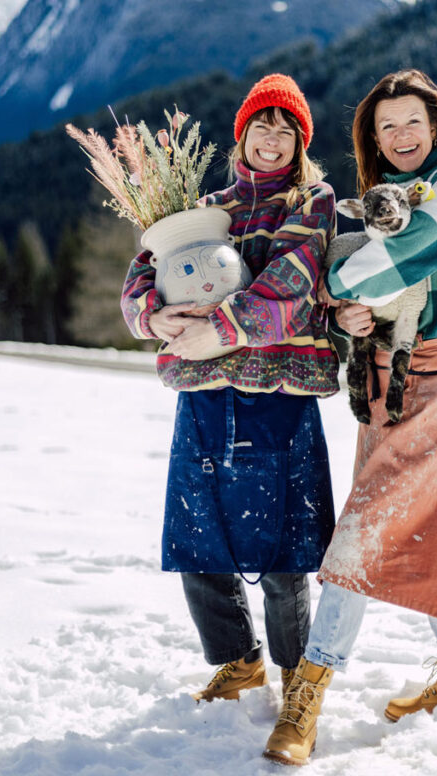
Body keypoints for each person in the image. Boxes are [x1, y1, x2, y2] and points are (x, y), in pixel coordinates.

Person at [264, 68, 437, 765]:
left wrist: (328, 288)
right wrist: (355, 314)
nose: (398, 136)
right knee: (417, 517)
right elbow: (382, 283)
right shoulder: (388, 192)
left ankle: (310, 688)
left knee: (363, 529)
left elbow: (410, 249)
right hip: (387, 374)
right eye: (384, 126)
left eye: (410, 123)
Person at [120, 74, 339, 703]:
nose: (272, 140)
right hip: (204, 393)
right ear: (241, 134)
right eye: (261, 126)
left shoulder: (310, 201)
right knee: (198, 535)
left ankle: (300, 674)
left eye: (286, 131)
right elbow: (141, 276)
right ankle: (238, 661)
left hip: (279, 393)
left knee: (283, 545)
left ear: (300, 144)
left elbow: (291, 285)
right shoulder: (200, 207)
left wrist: (221, 329)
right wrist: (152, 318)